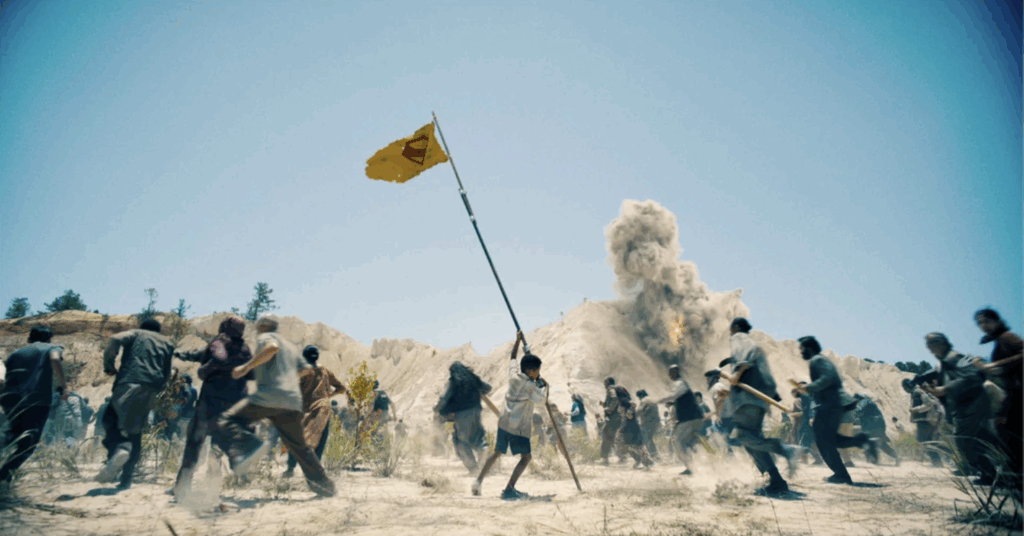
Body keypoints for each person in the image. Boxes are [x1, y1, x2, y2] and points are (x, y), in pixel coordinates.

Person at [219, 315, 336, 497]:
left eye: (258, 327)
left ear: (264, 327)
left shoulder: (267, 338)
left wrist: (246, 367)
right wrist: (288, 381)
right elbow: (306, 369)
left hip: (268, 398)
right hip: (291, 403)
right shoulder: (290, 347)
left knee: (229, 419)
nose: (257, 330)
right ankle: (325, 487)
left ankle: (252, 446)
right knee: (300, 447)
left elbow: (272, 348)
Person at [168, 315, 256, 499]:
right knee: (226, 445)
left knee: (194, 445)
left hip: (209, 405)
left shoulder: (218, 343)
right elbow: (253, 375)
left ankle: (182, 487)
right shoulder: (245, 349)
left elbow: (202, 360)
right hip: (234, 407)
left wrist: (182, 356)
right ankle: (226, 477)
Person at [471, 331, 552, 500]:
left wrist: (517, 342)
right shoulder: (530, 386)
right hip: (518, 428)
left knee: (497, 453)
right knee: (526, 458)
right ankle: (509, 489)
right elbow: (541, 400)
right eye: (537, 370)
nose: (538, 372)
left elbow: (513, 358)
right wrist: (542, 385)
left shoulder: (513, 376)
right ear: (531, 371)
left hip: (504, 423)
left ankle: (478, 482)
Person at [97, 318, 176, 489]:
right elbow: (168, 371)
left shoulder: (136, 334)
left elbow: (115, 339)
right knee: (135, 431)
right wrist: (160, 388)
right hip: (152, 387)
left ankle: (120, 449)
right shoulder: (167, 343)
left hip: (130, 381)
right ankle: (126, 479)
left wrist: (109, 366)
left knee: (109, 419)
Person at [719, 318, 793, 495]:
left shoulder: (739, 338)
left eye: (731, 330)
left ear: (736, 328)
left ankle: (786, 450)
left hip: (748, 398)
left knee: (744, 436)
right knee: (752, 441)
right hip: (756, 398)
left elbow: (746, 354)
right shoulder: (752, 343)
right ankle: (775, 480)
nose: (730, 334)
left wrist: (737, 372)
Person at [919, 332, 1001, 486]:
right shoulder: (946, 361)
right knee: (985, 440)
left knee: (963, 441)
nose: (929, 349)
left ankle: (989, 474)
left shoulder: (954, 357)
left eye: (930, 345)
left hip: (973, 405)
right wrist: (935, 390)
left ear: (940, 343)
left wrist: (944, 388)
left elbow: (973, 377)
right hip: (967, 407)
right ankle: (1000, 471)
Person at [794, 336, 876, 485]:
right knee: (831, 440)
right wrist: (806, 390)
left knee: (824, 442)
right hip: (831, 405)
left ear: (809, 348)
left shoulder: (817, 360)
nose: (800, 352)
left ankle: (841, 474)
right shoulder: (820, 360)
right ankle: (862, 440)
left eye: (802, 348)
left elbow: (829, 377)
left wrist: (809, 387)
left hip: (828, 405)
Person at [0, 326, 68, 483]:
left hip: (10, 399)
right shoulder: (52, 347)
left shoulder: (16, 352)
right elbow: (55, 358)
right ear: (49, 338)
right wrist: (64, 386)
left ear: (29, 339)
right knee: (28, 445)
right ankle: (3, 478)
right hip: (36, 400)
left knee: (13, 435)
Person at [283, 345, 346, 479]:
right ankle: (315, 474)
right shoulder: (325, 371)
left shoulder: (301, 371)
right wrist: (327, 396)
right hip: (323, 408)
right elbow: (341, 388)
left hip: (304, 409)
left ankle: (290, 468)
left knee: (296, 439)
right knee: (320, 439)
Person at [974, 308, 1022, 481]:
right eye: (979, 323)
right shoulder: (1000, 340)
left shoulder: (1007, 337)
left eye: (986, 321)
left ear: (997, 320)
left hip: (1018, 392)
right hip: (1013, 392)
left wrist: (990, 367)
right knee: (1005, 430)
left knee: (1007, 430)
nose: (983, 326)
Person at [435, 361, 492, 472]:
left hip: (461, 414)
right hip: (476, 412)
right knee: (477, 438)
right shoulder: (474, 378)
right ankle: (483, 449)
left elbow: (446, 398)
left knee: (461, 442)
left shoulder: (454, 382)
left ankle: (473, 468)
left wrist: (439, 410)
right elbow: (488, 388)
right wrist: (479, 390)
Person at [658, 364, 703, 475]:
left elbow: (673, 394)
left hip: (690, 419)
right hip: (692, 418)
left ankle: (691, 468)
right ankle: (696, 464)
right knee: (687, 442)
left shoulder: (680, 383)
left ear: (676, 372)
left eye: (671, 372)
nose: (669, 375)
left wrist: (658, 400)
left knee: (677, 440)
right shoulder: (681, 384)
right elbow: (679, 398)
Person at [903, 378, 943, 467]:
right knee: (928, 442)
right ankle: (939, 460)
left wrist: (915, 410)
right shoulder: (917, 392)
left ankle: (939, 461)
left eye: (905, 387)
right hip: (927, 420)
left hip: (925, 420)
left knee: (924, 441)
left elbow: (929, 404)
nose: (905, 389)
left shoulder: (917, 392)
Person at [853, 394, 899, 465]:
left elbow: (857, 411)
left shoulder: (864, 402)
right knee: (881, 444)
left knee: (869, 441)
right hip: (876, 425)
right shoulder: (869, 403)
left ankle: (873, 460)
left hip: (874, 425)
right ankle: (896, 457)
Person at [790, 385, 823, 465]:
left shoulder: (798, 400)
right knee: (809, 442)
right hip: (807, 423)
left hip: (802, 424)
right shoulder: (809, 399)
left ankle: (812, 459)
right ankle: (814, 459)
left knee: (803, 441)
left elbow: (801, 413)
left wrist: (792, 414)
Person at [599, 377, 629, 465]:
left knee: (606, 435)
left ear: (608, 382)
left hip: (613, 418)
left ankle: (604, 459)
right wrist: (605, 404)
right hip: (619, 417)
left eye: (605, 383)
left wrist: (609, 409)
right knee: (617, 438)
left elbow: (614, 399)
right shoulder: (617, 389)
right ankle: (622, 457)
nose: (604, 385)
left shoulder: (610, 389)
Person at [636, 390, 661, 460]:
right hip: (655, 422)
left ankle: (653, 456)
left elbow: (639, 411)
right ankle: (655, 456)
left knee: (645, 439)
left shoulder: (644, 400)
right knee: (649, 439)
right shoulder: (651, 400)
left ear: (640, 396)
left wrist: (633, 416)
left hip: (647, 423)